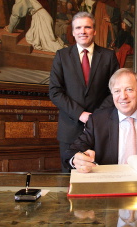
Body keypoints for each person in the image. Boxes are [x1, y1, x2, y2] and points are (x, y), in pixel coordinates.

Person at [49, 11, 119, 173]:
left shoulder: (108, 56)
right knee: (69, 179)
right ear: (73, 32)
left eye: (87, 27)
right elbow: (55, 92)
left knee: (101, 178)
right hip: (70, 130)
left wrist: (96, 117)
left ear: (94, 31)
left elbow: (115, 90)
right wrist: (80, 114)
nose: (83, 31)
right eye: (78, 27)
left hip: (101, 128)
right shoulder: (62, 56)